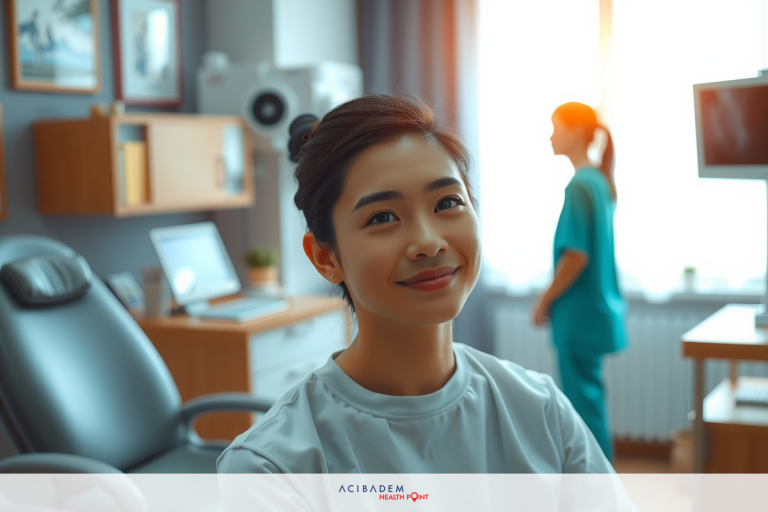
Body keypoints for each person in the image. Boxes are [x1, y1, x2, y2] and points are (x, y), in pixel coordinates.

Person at [217, 95, 614, 474]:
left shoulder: (541, 410)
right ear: (325, 257)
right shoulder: (272, 467)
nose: (427, 242)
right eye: (382, 217)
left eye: (447, 203)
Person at [532, 102, 628, 461]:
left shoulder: (579, 186)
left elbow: (576, 255)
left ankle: (596, 486)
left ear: (574, 131)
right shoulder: (599, 182)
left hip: (578, 313)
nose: (551, 135)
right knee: (591, 398)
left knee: (582, 406)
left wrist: (544, 299)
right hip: (596, 310)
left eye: (556, 127)